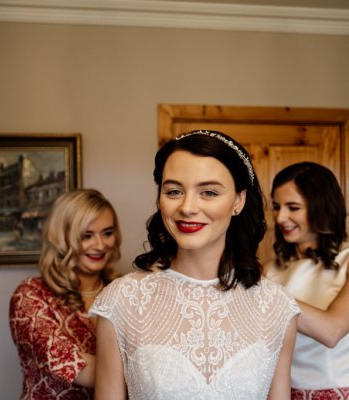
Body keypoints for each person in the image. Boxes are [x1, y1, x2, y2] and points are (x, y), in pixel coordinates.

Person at [90, 130, 300, 399]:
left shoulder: (277, 307)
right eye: (174, 191)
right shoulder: (121, 301)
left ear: (238, 201)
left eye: (209, 192)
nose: (187, 207)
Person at [263, 162, 349, 400]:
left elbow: (332, 331)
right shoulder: (270, 270)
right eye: (277, 207)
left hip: (339, 394)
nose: (280, 218)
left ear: (321, 208)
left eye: (293, 207)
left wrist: (263, 289)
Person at [9, 189, 122, 400]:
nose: (100, 245)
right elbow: (70, 365)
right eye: (86, 235)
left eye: (107, 233)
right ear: (62, 239)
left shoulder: (124, 290)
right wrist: (155, 374)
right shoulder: (30, 295)